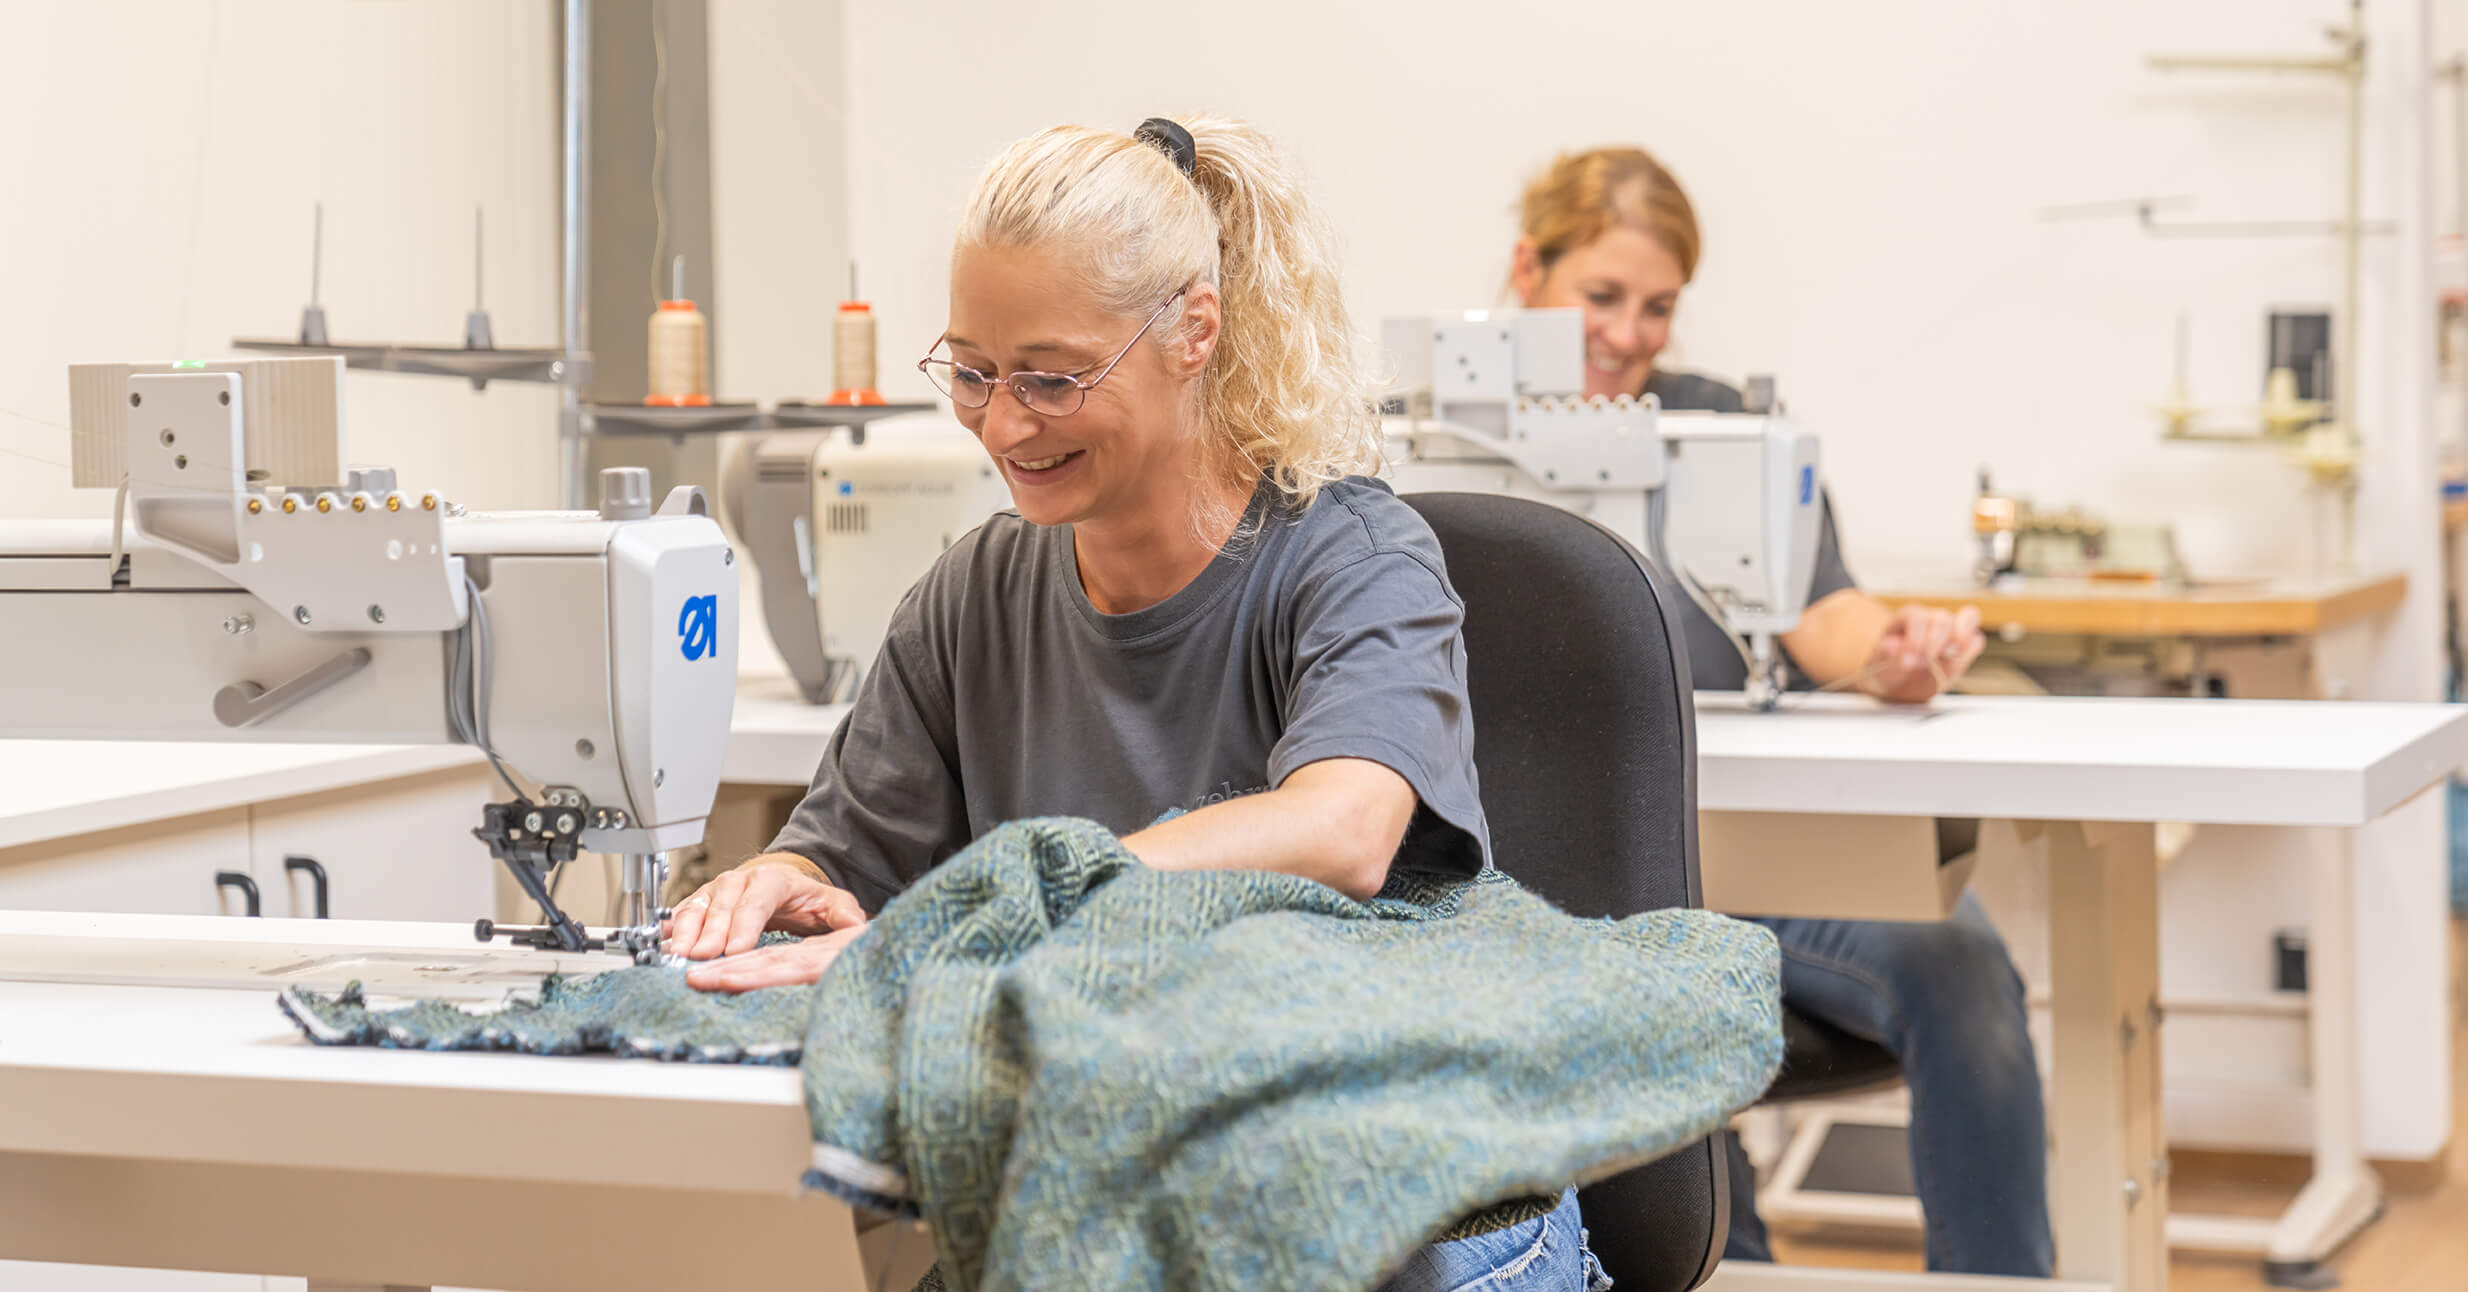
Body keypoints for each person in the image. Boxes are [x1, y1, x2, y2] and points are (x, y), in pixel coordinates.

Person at [666, 116, 1610, 1292]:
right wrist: (783, 888)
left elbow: (1344, 826)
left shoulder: (1353, 557)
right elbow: (843, 862)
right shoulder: (971, 595)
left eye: (1052, 379)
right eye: (971, 371)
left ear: (1191, 331)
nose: (1004, 424)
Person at [1507, 146, 2053, 1278]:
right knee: (1627, 1007)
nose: (1630, 332)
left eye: (1657, 307)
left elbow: (1823, 617)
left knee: (1958, 965)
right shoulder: (1437, 447)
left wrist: (1893, 658)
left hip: (1765, 867)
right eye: (1600, 296)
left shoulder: (1718, 431)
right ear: (1526, 270)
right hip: (1560, 892)